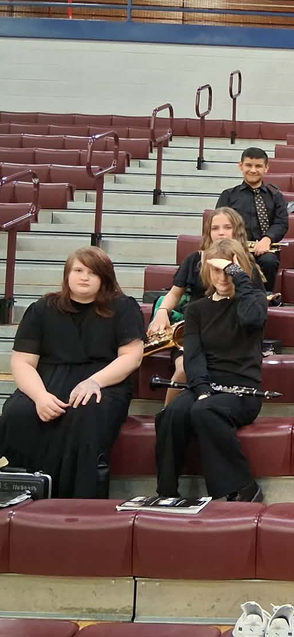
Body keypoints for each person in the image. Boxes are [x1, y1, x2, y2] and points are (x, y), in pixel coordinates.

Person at [0, 247, 145, 498]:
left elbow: (131, 357)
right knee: (17, 411)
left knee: (84, 413)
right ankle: (17, 494)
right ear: (67, 274)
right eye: (78, 270)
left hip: (105, 381)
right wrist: (39, 397)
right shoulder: (42, 308)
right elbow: (22, 362)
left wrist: (94, 382)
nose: (84, 277)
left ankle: (75, 499)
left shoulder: (123, 307)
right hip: (46, 380)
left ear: (104, 278)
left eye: (92, 272)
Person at [155, 238, 268, 502]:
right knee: (172, 414)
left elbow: (251, 319)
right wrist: (203, 389)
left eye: (229, 269)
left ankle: (243, 488)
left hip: (243, 391)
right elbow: (193, 356)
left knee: (204, 410)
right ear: (207, 271)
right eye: (217, 270)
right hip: (206, 387)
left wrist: (240, 276)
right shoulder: (196, 310)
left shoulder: (254, 302)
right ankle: (166, 492)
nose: (223, 276)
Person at [147, 206, 249, 406]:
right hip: (193, 331)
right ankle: (167, 416)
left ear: (237, 232)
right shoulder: (194, 259)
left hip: (228, 333)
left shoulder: (246, 263)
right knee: (184, 369)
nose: (220, 232)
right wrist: (161, 312)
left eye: (227, 227)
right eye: (215, 228)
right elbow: (175, 293)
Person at [215, 147, 288, 292]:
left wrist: (267, 239)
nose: (253, 170)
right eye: (248, 165)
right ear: (240, 166)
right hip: (234, 248)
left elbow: (281, 223)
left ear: (266, 168)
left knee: (269, 261)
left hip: (265, 249)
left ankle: (265, 296)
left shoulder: (276, 196)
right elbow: (220, 223)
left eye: (259, 166)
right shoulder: (228, 195)